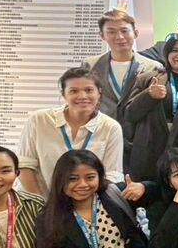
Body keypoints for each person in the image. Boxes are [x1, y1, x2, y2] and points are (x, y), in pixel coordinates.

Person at [18, 67, 124, 195]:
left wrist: (87, 204)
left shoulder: (110, 127)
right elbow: (25, 165)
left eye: (89, 90)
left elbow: (111, 174)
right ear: (64, 94)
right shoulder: (40, 120)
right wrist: (40, 203)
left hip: (87, 203)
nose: (82, 96)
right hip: (39, 200)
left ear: (99, 93)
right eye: (73, 91)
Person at [123, 36, 178, 182]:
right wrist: (149, 96)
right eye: (175, 50)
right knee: (147, 193)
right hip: (148, 153)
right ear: (166, 54)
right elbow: (130, 114)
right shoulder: (146, 79)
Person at [85, 9, 162, 135]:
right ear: (102, 35)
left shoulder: (153, 67)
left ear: (135, 33)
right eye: (111, 32)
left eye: (124, 31)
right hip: (100, 133)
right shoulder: (90, 65)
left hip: (138, 135)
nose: (119, 37)